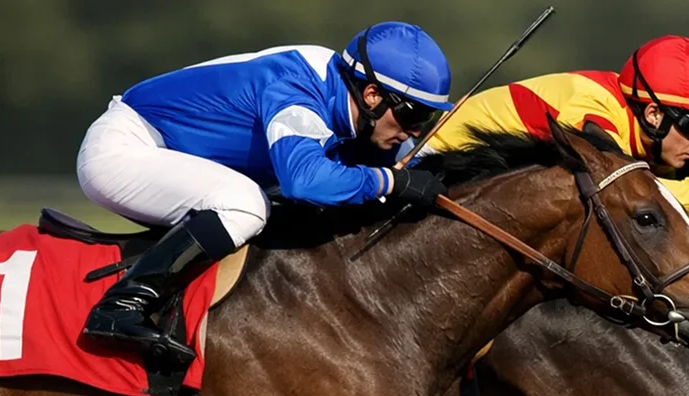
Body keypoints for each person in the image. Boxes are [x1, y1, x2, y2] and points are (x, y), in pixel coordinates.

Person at [76, 23, 452, 364]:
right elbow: (305, 181)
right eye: (413, 117)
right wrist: (391, 182)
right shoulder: (297, 90)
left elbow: (416, 159)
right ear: (372, 95)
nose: (415, 132)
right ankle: (121, 306)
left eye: (428, 120)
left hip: (170, 152)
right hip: (125, 150)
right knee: (246, 204)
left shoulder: (344, 92)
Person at [428, 34, 689, 215]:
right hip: (435, 165)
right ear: (653, 115)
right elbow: (631, 198)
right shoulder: (594, 109)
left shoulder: (633, 119)